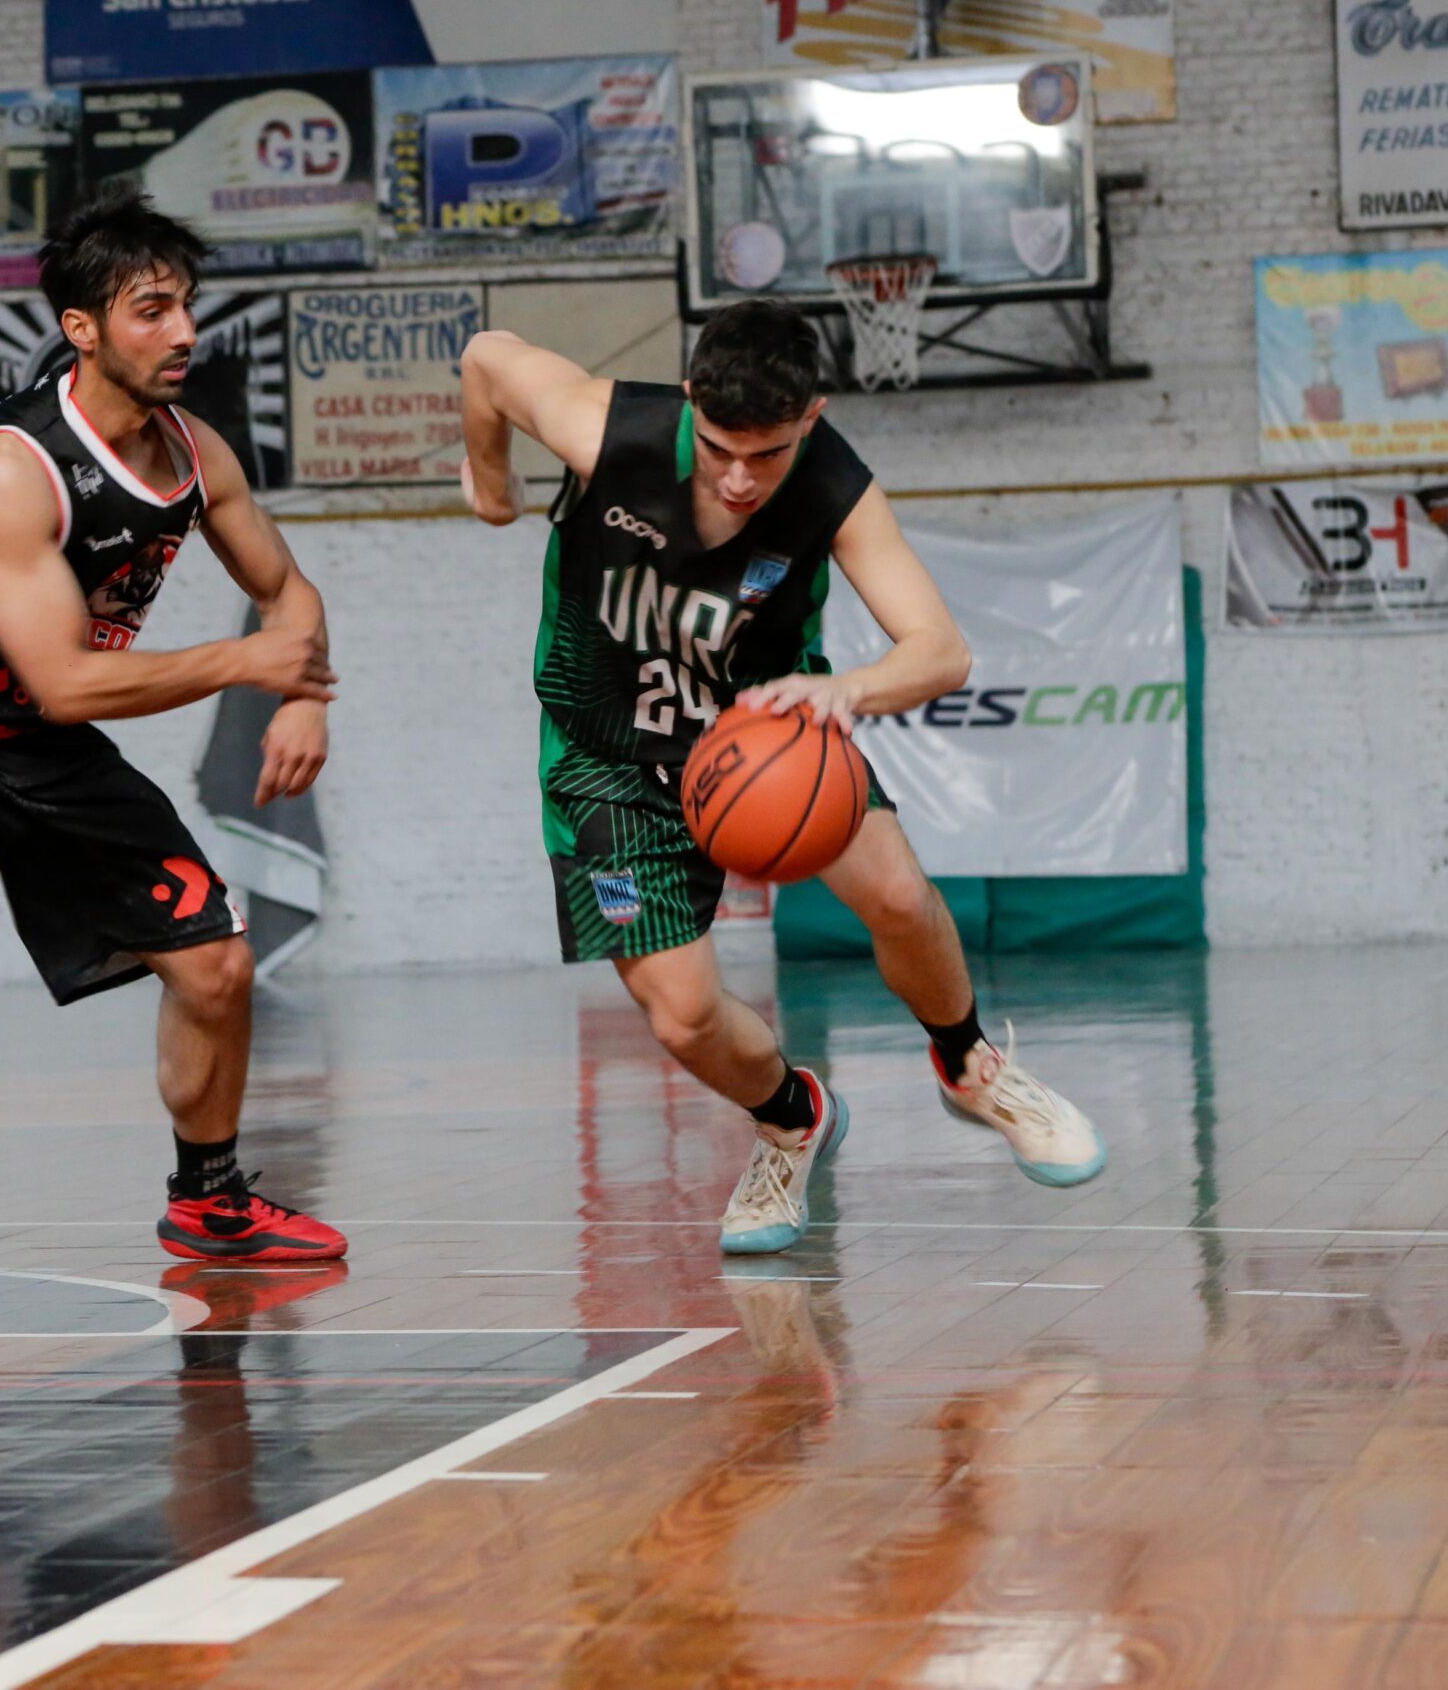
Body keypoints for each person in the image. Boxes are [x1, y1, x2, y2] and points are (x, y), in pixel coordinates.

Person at [456, 301, 1106, 1256]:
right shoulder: (607, 428)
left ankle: (970, 1065)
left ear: (812, 415)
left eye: (766, 454)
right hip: (606, 761)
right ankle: (792, 1115)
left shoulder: (834, 485)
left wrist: (843, 689)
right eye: (720, 447)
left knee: (897, 891)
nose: (738, 476)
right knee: (680, 1021)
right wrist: (491, 477)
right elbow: (486, 356)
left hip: (763, 738)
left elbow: (940, 651)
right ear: (689, 402)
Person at [0, 195, 348, 1294]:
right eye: (152, 309)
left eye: (188, 306)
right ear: (84, 326)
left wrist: (306, 695)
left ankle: (209, 1202)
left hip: (44, 744)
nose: (185, 330)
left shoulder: (196, 451)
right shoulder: (8, 465)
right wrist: (244, 664)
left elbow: (286, 587)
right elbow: (63, 682)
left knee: (216, 964)